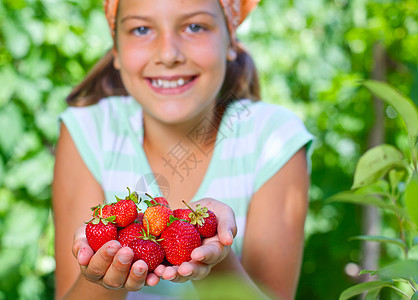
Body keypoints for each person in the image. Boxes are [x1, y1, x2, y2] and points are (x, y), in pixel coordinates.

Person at [52, 0, 314, 299]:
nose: (168, 54)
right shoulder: (88, 131)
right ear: (116, 51)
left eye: (194, 26)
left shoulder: (274, 138)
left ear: (230, 40)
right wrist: (101, 275)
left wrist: (215, 257)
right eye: (141, 29)